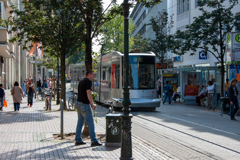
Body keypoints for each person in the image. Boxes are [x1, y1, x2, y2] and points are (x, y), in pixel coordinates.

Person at [75, 70, 102, 147]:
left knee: (80, 122)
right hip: (84, 105)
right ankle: (94, 141)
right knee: (90, 123)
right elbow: (88, 92)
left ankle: (78, 139)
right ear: (89, 74)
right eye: (93, 75)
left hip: (78, 103)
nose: (94, 77)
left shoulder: (82, 81)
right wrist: (92, 103)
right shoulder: (88, 81)